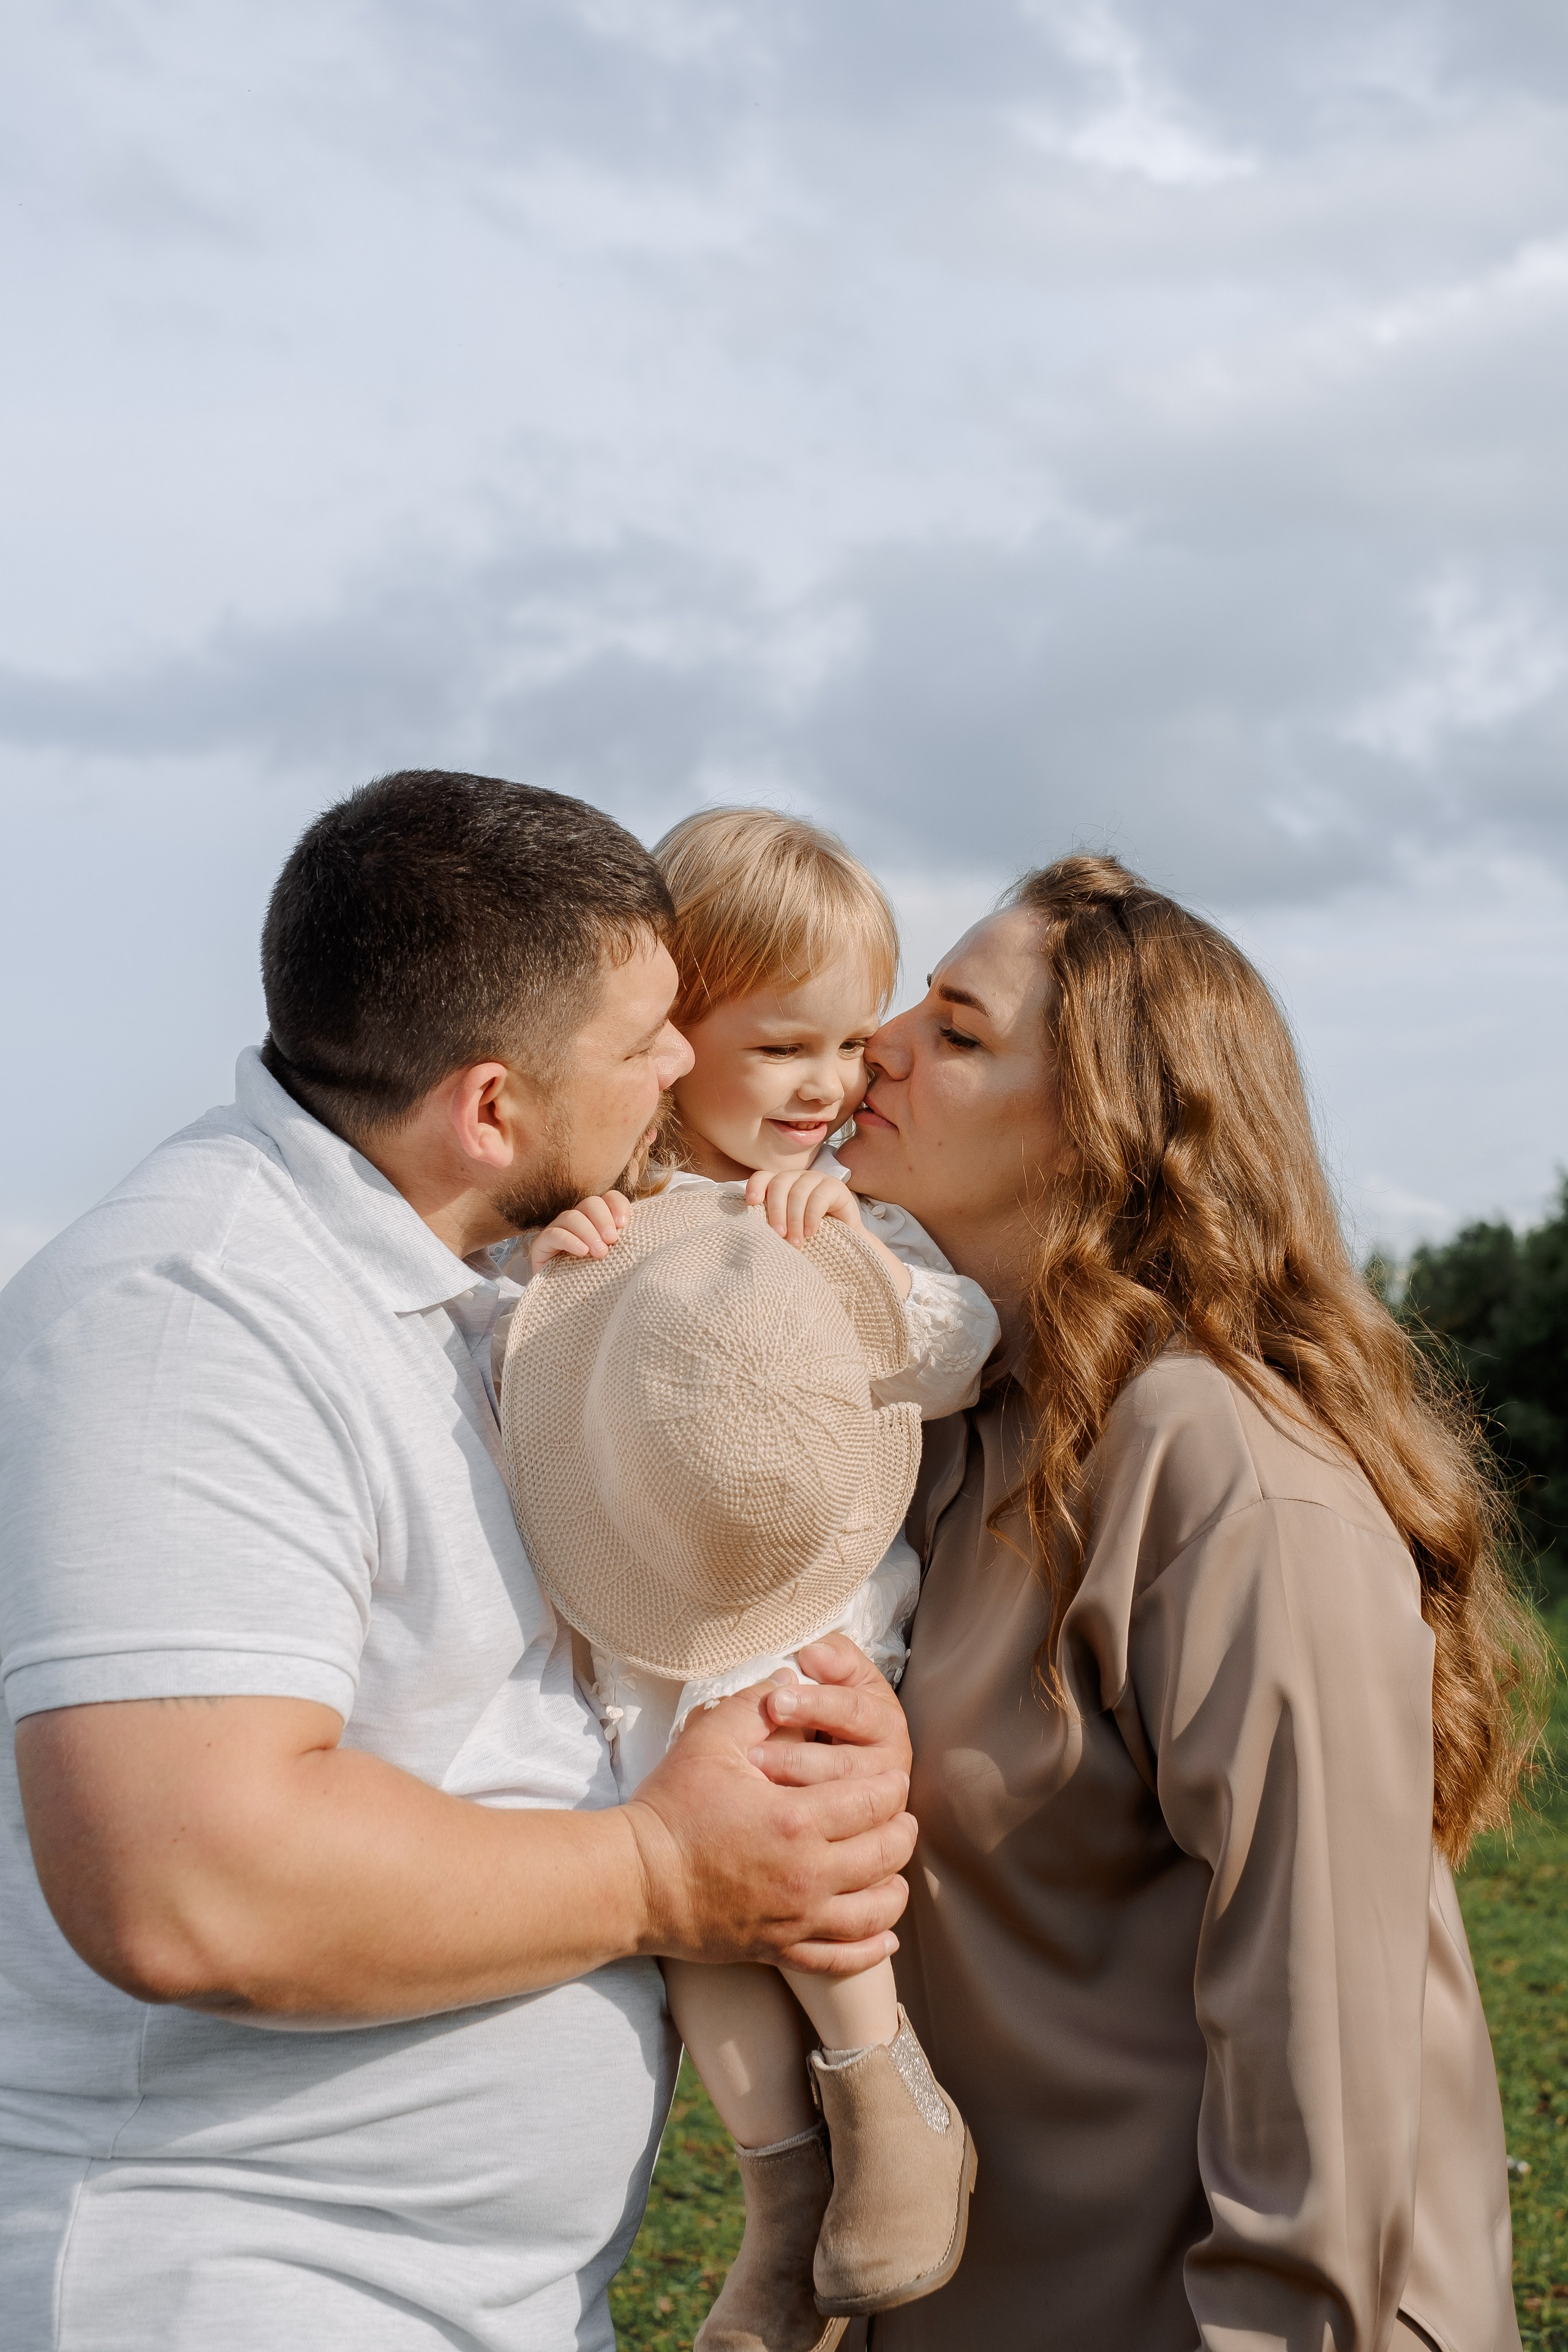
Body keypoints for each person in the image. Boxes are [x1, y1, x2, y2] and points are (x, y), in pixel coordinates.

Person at [0, 771, 919, 2352]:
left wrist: (810, 1734)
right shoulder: (189, 1315)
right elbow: (185, 1882)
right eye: (643, 1044)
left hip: (462, 2295)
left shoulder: (475, 1293)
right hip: (239, 2284)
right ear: (490, 1108)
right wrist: (670, 1871)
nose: (685, 1064)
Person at [837, 853, 1538, 2351]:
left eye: (956, 1032)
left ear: (1105, 1124)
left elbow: (1324, 2037)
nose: (874, 1043)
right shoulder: (942, 1428)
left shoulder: (1216, 1460)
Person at [524, 809, 995, 2349]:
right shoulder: (622, 1208)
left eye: (852, 1046)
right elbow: (539, 1385)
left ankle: (889, 2104)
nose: (829, 1086)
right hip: (647, 1621)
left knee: (801, 1863)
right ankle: (779, 2194)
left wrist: (850, 1255)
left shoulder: (851, 1212)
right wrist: (572, 1252)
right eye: (785, 1046)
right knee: (691, 1928)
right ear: (674, 1038)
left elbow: (956, 1347)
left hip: (804, 1618)